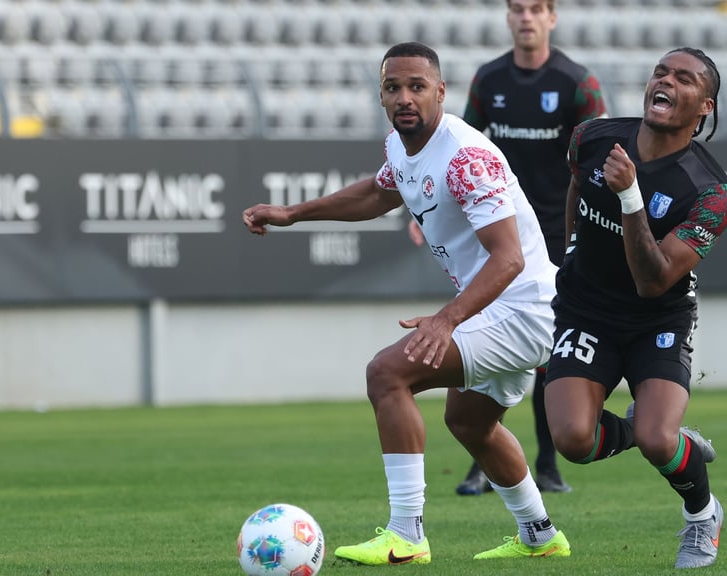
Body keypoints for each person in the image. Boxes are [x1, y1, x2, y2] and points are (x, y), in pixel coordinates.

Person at [242, 42, 571, 564]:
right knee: (469, 423)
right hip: (500, 309)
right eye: (393, 87)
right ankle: (540, 533)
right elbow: (377, 195)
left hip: (523, 308)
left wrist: (446, 320)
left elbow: (508, 259)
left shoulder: (466, 157)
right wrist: (293, 213)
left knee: (387, 373)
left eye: (417, 86)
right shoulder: (400, 145)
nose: (404, 97)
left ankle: (406, 534)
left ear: (441, 92)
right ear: (381, 96)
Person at [542, 47, 727, 569]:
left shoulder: (713, 194)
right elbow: (577, 188)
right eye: (661, 72)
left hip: (656, 319)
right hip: (585, 311)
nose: (667, 81)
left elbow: (653, 282)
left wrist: (630, 197)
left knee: (656, 440)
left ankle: (702, 516)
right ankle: (667, 436)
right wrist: (571, 252)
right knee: (574, 441)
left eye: (685, 78)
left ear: (706, 108)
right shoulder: (592, 137)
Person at [433, 0, 608, 496]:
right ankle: (483, 460)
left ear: (552, 18)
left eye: (536, 9)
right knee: (487, 338)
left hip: (559, 234)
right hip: (499, 231)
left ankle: (548, 464)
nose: (526, 17)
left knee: (550, 352)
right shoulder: (490, 80)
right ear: (508, 18)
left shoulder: (578, 82)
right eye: (517, 9)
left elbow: (598, 157)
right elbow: (456, 143)